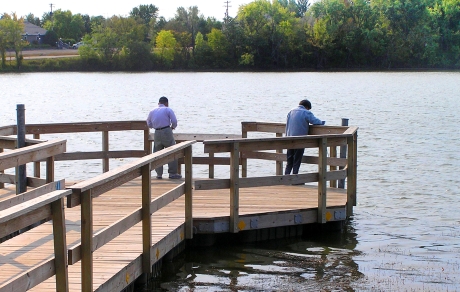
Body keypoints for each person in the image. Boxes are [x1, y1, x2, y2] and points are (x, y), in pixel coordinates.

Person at [285, 99, 325, 176]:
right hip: (300, 139)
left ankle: (286, 177)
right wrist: (322, 123)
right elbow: (315, 121)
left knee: (289, 160)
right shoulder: (306, 112)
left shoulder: (291, 111)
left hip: (289, 138)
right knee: (297, 159)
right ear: (307, 107)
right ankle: (295, 177)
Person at [146, 96, 182, 179]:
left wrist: (152, 126)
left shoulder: (152, 111)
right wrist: (172, 127)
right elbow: (174, 121)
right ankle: (172, 173)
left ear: (159, 103)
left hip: (157, 132)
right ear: (166, 103)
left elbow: (148, 122)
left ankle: (159, 174)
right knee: (172, 151)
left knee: (157, 152)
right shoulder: (168, 109)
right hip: (166, 130)